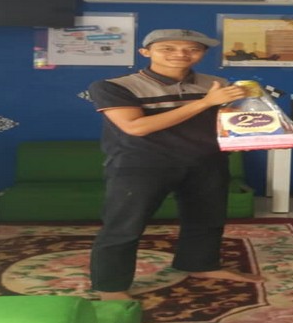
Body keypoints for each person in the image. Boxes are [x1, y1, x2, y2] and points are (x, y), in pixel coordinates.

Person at [88, 28, 263, 300]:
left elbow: (226, 121)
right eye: (167, 48)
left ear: (202, 53)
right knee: (124, 226)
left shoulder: (214, 83)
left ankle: (201, 265)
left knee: (206, 219)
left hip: (206, 160)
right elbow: (136, 127)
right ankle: (111, 287)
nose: (181, 54)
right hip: (142, 164)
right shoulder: (114, 86)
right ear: (145, 52)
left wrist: (252, 127)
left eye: (192, 49)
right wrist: (206, 102)